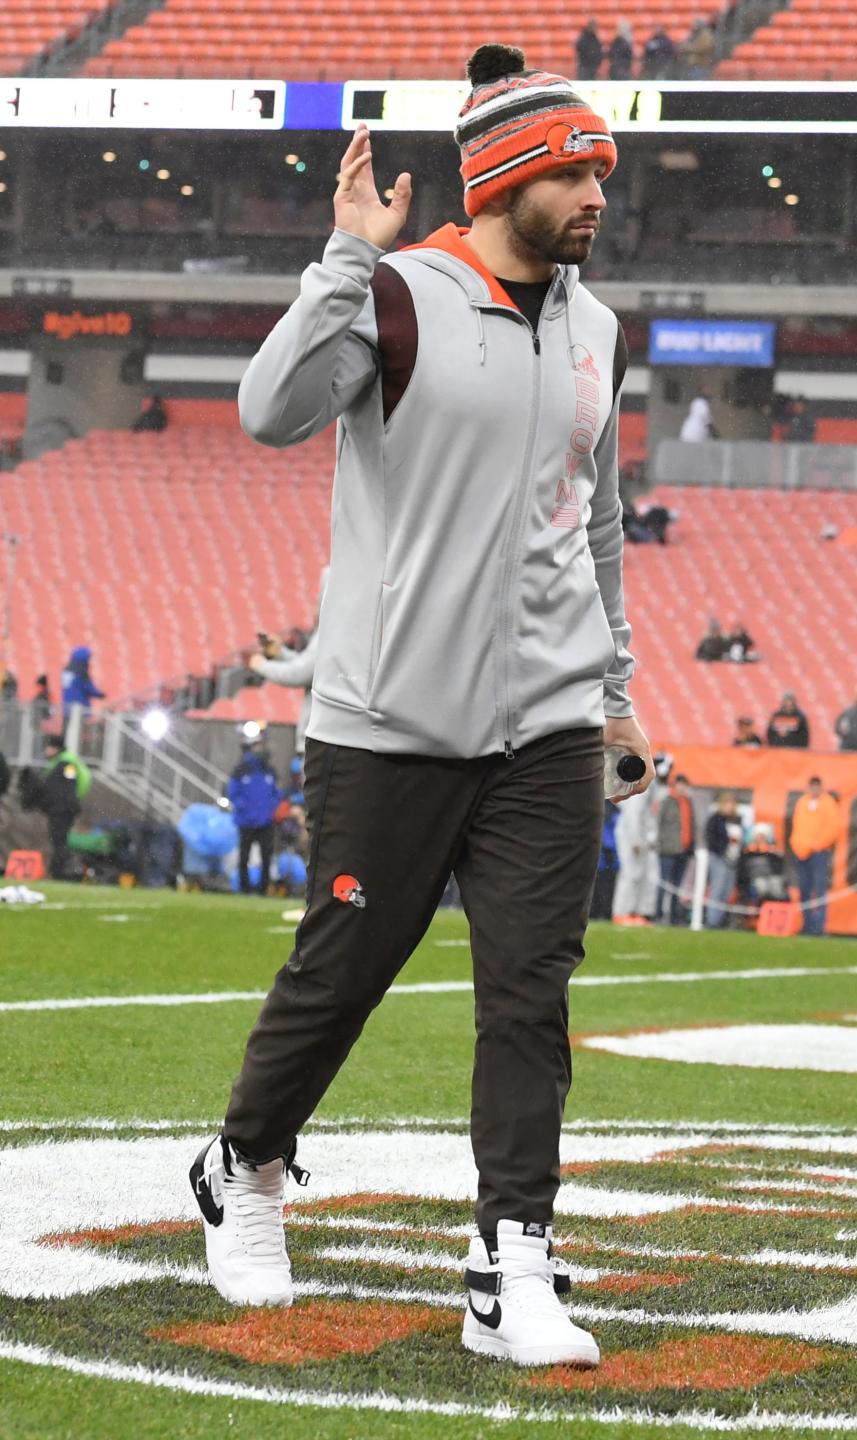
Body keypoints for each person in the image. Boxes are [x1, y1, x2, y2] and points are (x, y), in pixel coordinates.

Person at [189, 43, 652, 1374]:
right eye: (574, 170)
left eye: (601, 172)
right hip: (388, 719)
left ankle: (513, 1259)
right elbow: (268, 412)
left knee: (530, 992)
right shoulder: (394, 296)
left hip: (551, 723)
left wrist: (613, 694)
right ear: (507, 176)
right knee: (342, 973)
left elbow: (596, 524)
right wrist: (341, 261)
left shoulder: (597, 328)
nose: (596, 196)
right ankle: (247, 1164)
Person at [248, 577, 327, 756]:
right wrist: (280, 653)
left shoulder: (329, 633)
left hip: (319, 740)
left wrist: (261, 665)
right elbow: (310, 666)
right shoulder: (334, 631)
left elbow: (299, 674)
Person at [225, 730, 282, 896]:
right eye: (257, 745)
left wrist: (269, 809)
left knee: (266, 857)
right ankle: (244, 888)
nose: (260, 749)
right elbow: (233, 793)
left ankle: (263, 889)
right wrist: (246, 810)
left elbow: (276, 793)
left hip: (265, 821)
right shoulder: (240, 770)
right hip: (246, 821)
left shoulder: (269, 770)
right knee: (244, 856)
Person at [612, 757, 665, 923]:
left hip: (641, 836)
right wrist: (635, 840)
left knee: (644, 875)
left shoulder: (653, 787)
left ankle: (637, 912)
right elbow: (633, 816)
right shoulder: (641, 785)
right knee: (631, 873)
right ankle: (622, 912)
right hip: (631, 835)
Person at [789, 776, 840, 937]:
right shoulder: (802, 802)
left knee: (820, 889)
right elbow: (797, 826)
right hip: (801, 852)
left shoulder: (828, 803)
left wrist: (817, 845)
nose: (814, 790)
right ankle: (807, 924)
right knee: (804, 888)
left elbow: (833, 828)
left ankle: (819, 926)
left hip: (819, 852)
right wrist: (797, 845)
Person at [38, 734, 91, 879]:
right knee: (58, 840)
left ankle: (61, 871)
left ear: (55, 748)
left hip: (62, 809)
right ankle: (58, 871)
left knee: (59, 840)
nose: (46, 750)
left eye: (48, 747)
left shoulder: (66, 764)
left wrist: (63, 805)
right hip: (59, 809)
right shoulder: (59, 762)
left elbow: (68, 787)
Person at [656, 772, 695, 925]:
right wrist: (660, 843)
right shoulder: (667, 802)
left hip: (683, 850)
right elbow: (659, 823)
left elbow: (691, 825)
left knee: (677, 886)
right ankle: (658, 914)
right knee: (664, 884)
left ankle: (673, 917)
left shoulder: (687, 803)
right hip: (668, 849)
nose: (683, 788)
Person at [705, 790, 742, 928]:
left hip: (733, 860)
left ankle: (719, 920)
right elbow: (711, 838)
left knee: (727, 891)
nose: (730, 806)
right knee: (717, 890)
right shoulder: (716, 819)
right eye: (727, 803)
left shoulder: (737, 820)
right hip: (720, 858)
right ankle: (712, 921)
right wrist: (721, 851)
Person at [61, 646, 105, 712]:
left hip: (67, 708)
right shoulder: (80, 671)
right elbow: (88, 687)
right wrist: (100, 695)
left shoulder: (67, 670)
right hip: (80, 708)